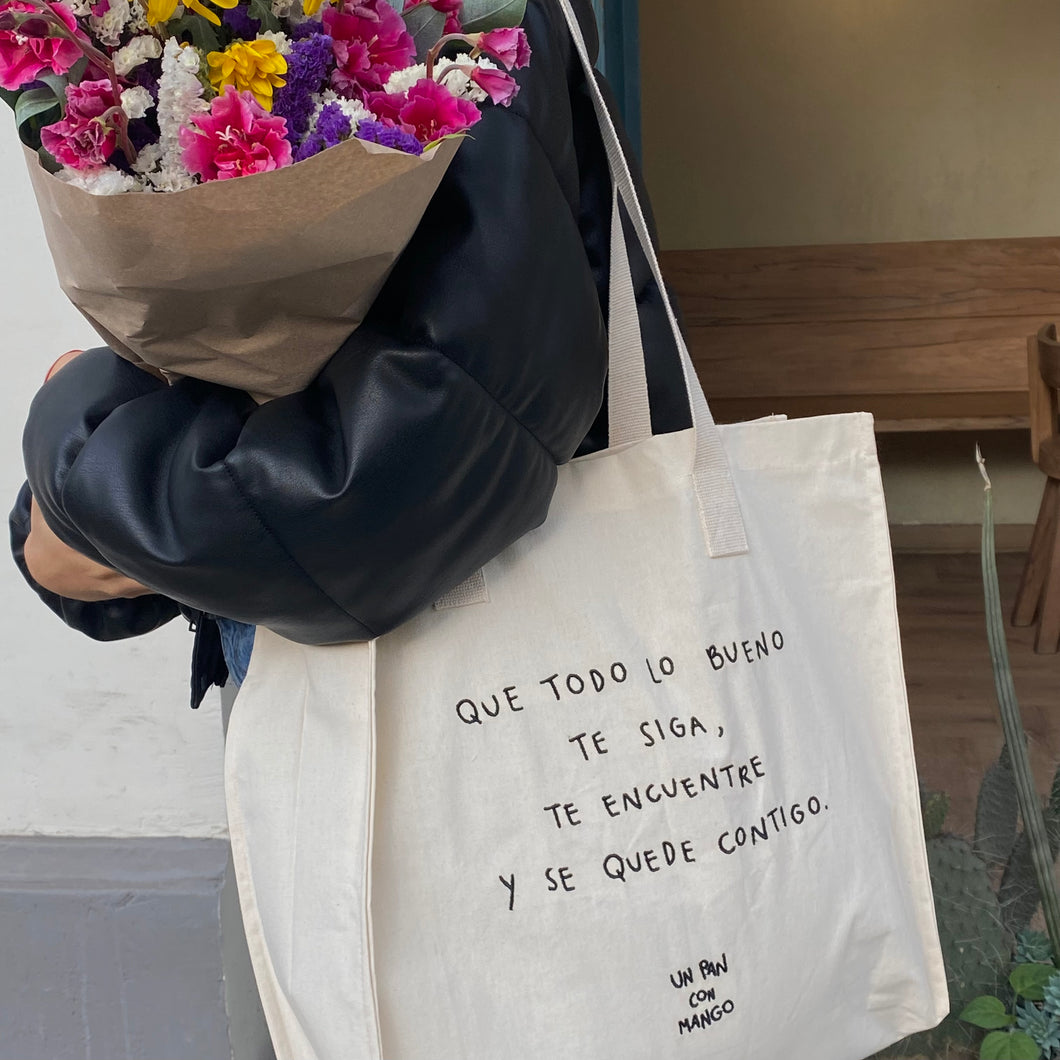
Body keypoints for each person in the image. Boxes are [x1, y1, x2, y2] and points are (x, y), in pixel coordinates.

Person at [10, 0, 688, 704]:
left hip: (445, 672)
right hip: (340, 638)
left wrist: (81, 476)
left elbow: (405, 467)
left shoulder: (447, 20)